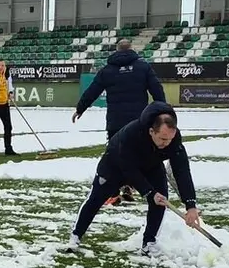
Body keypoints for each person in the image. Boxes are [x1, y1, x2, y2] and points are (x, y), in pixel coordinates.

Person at [65, 101, 200, 256]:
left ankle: (149, 243)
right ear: (151, 131)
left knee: (161, 199)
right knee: (96, 198)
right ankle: (75, 236)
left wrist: (190, 204)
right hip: (115, 165)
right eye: (163, 139)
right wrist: (149, 192)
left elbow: (182, 171)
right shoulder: (132, 134)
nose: (167, 143)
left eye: (170, 139)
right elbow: (128, 169)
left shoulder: (173, 141)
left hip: (151, 165)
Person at [72, 39, 166, 203]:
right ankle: (133, 184)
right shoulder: (143, 67)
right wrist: (163, 110)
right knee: (139, 155)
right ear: (131, 49)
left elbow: (92, 91)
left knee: (117, 156)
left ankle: (116, 189)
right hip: (138, 122)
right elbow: (156, 89)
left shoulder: (107, 70)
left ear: (116, 50)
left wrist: (80, 108)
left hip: (115, 122)